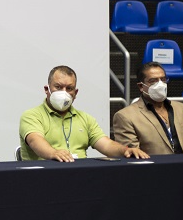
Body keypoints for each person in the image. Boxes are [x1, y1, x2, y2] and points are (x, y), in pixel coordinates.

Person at [19, 65, 149, 161]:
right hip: (43, 177)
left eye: (69, 88)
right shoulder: (31, 115)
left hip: (80, 176)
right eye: (58, 87)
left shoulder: (86, 118)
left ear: (75, 94)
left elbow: (106, 144)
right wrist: (54, 153)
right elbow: (35, 141)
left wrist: (125, 150)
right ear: (47, 90)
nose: (64, 92)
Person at [113, 63, 183, 155]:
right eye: (153, 81)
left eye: (163, 79)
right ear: (141, 86)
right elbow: (133, 156)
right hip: (153, 168)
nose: (160, 84)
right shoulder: (125, 116)